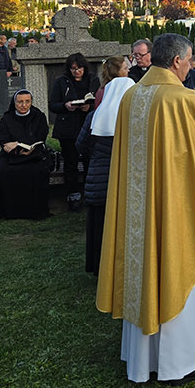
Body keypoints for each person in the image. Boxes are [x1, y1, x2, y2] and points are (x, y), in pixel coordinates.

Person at [96, 34, 195, 384]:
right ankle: (178, 363)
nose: (189, 69)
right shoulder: (180, 99)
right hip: (173, 210)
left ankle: (142, 360)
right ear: (176, 62)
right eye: (188, 63)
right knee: (176, 268)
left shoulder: (131, 96)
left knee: (143, 272)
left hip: (137, 211)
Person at [77, 76, 134, 274]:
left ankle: (97, 267)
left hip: (97, 177)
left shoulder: (95, 115)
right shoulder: (131, 117)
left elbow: (80, 144)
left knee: (98, 225)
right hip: (121, 177)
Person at [0, 89, 50, 221]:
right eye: (20, 102)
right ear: (14, 103)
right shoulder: (7, 118)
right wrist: (17, 149)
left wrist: (21, 145)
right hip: (11, 155)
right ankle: (6, 211)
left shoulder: (38, 116)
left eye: (27, 102)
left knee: (37, 171)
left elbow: (41, 136)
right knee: (0, 172)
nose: (24, 105)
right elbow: (4, 141)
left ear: (31, 102)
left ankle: (34, 211)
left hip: (34, 154)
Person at [48, 53, 100, 211]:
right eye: (73, 69)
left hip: (88, 125)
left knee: (89, 161)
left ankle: (89, 194)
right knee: (70, 162)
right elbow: (53, 104)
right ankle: (73, 196)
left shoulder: (93, 80)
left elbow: (99, 102)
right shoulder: (61, 81)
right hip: (68, 128)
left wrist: (89, 107)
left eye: (79, 69)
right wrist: (66, 106)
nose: (77, 72)